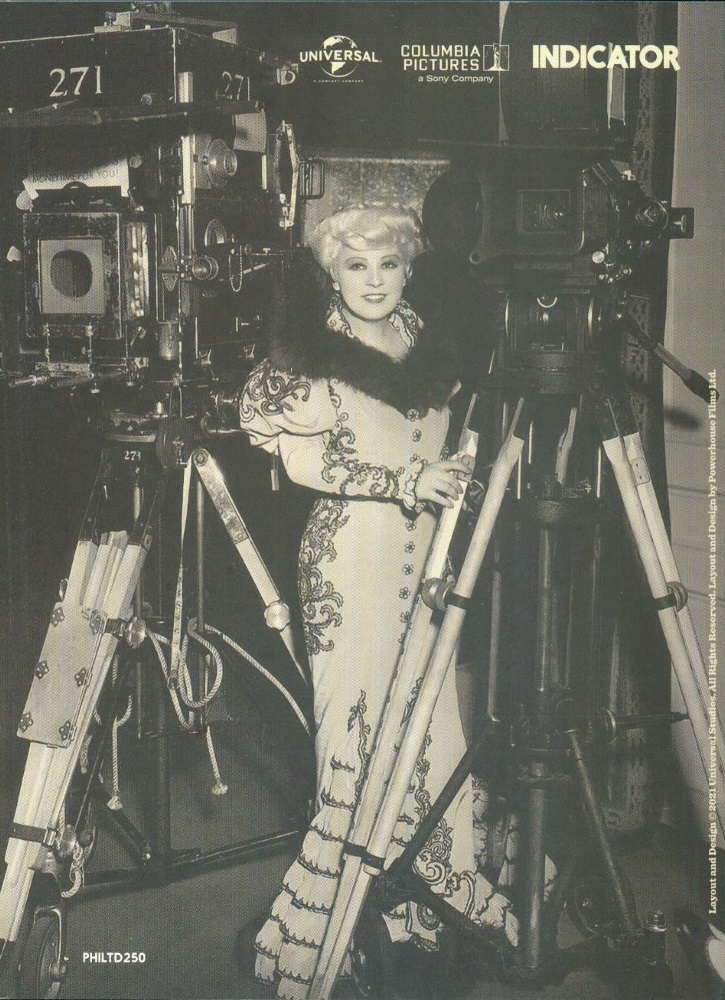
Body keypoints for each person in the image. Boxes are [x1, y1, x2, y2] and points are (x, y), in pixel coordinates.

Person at [239, 203, 516, 999]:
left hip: (424, 559)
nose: (372, 281)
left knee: (429, 727)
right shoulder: (308, 352)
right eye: (355, 266)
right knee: (355, 734)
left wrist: (446, 476)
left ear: (406, 269)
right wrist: (403, 481)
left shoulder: (420, 335)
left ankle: (423, 910)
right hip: (349, 559)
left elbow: (432, 441)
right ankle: (344, 930)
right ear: (331, 273)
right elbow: (300, 465)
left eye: (387, 264)